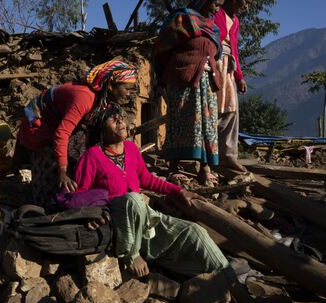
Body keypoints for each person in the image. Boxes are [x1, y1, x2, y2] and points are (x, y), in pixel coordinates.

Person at [74, 104, 229, 277]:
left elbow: (146, 179)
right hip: (118, 220)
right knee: (133, 199)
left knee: (194, 232)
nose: (120, 120)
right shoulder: (91, 157)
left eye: (120, 116)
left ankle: (225, 275)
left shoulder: (131, 149)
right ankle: (131, 255)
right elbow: (82, 194)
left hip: (143, 215)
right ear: (101, 130)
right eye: (112, 118)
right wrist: (94, 214)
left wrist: (179, 191)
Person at [16, 60, 137, 208]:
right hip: (40, 122)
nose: (129, 94)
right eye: (128, 89)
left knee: (82, 151)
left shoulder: (105, 102)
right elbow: (61, 133)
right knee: (51, 157)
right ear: (111, 85)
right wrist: (62, 171)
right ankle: (46, 201)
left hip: (58, 122)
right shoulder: (84, 98)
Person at [154, 0, 225, 186]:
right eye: (215, 4)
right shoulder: (182, 18)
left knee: (206, 125)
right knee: (180, 121)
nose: (216, 9)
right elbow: (161, 48)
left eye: (220, 6)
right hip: (182, 78)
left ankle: (205, 168)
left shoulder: (213, 28)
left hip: (207, 81)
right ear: (205, 0)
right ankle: (174, 167)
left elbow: (217, 51)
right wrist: (164, 77)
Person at [214, 0, 255, 180]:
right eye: (245, 1)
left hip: (228, 67)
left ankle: (228, 155)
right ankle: (209, 156)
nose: (246, 6)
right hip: (213, 64)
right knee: (211, 109)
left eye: (248, 3)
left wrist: (239, 77)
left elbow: (235, 50)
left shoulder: (236, 21)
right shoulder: (217, 13)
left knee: (231, 110)